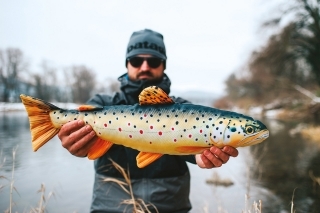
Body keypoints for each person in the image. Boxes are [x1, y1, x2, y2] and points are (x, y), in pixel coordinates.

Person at [58, 29, 239, 213]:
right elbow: (82, 143)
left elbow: (195, 151)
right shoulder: (102, 105)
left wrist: (203, 155)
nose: (144, 67)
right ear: (127, 64)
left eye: (153, 61)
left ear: (163, 65)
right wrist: (77, 143)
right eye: (136, 61)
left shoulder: (185, 111)